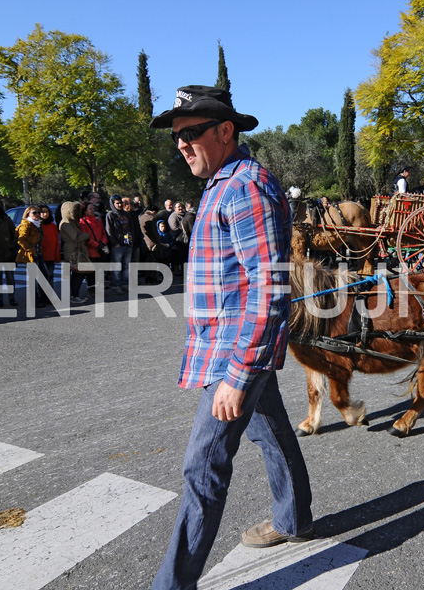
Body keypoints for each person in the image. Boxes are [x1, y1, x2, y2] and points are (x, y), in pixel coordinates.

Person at [148, 85, 313, 589]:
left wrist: (238, 375)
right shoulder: (223, 181)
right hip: (229, 348)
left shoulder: (244, 186)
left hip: (235, 354)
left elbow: (268, 290)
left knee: (202, 469)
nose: (181, 144)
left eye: (190, 133)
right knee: (273, 433)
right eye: (177, 137)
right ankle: (294, 519)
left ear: (225, 131)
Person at [59, 201, 91, 304]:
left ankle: (74, 295)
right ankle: (74, 295)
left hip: (76, 250)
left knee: (78, 274)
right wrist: (86, 235)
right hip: (72, 251)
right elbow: (75, 237)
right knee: (78, 273)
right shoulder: (66, 223)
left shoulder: (72, 222)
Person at [105, 195, 134, 294]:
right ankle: (116, 285)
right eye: (117, 203)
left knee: (126, 266)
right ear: (113, 204)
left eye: (120, 202)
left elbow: (132, 227)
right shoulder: (110, 215)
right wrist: (114, 243)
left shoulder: (126, 214)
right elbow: (109, 231)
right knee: (116, 266)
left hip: (128, 243)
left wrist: (132, 240)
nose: (120, 205)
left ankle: (125, 284)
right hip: (117, 245)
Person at [39, 204, 61, 291]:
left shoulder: (52, 225)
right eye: (43, 212)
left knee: (50, 275)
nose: (45, 214)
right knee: (42, 276)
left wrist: (57, 255)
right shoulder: (38, 225)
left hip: (51, 255)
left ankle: (50, 294)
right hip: (41, 254)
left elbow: (56, 241)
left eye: (47, 212)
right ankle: (42, 295)